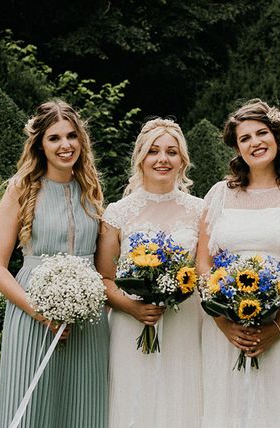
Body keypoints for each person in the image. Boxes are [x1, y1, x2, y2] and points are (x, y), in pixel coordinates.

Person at [197, 99, 280, 428]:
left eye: (261, 133)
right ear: (237, 149)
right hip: (228, 328)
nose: (255, 142)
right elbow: (203, 265)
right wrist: (225, 323)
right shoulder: (218, 194)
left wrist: (277, 327)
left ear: (276, 136)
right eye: (245, 138)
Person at [0, 100, 108, 428]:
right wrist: (39, 311)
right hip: (32, 311)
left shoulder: (91, 190)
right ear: (40, 143)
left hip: (88, 317)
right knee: (31, 409)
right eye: (54, 138)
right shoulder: (21, 189)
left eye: (71, 136)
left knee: (84, 407)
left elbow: (104, 264)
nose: (65, 145)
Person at [96, 117, 204, 427]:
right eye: (154, 151)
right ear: (140, 158)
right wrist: (131, 307)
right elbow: (105, 277)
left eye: (171, 152)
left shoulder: (200, 210)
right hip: (131, 323)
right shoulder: (118, 212)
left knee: (180, 399)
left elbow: (204, 269)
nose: (162, 159)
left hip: (183, 321)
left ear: (182, 159)